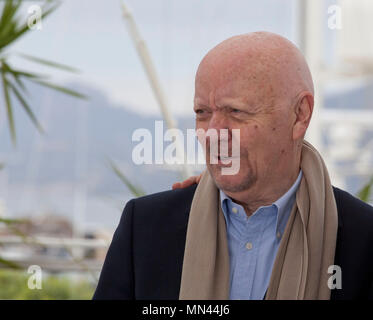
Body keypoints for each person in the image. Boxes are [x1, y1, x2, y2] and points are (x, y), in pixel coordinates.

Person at [93, 32, 373, 300]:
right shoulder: (145, 227)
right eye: (202, 113)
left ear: (300, 115)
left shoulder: (363, 239)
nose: (213, 133)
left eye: (236, 112)